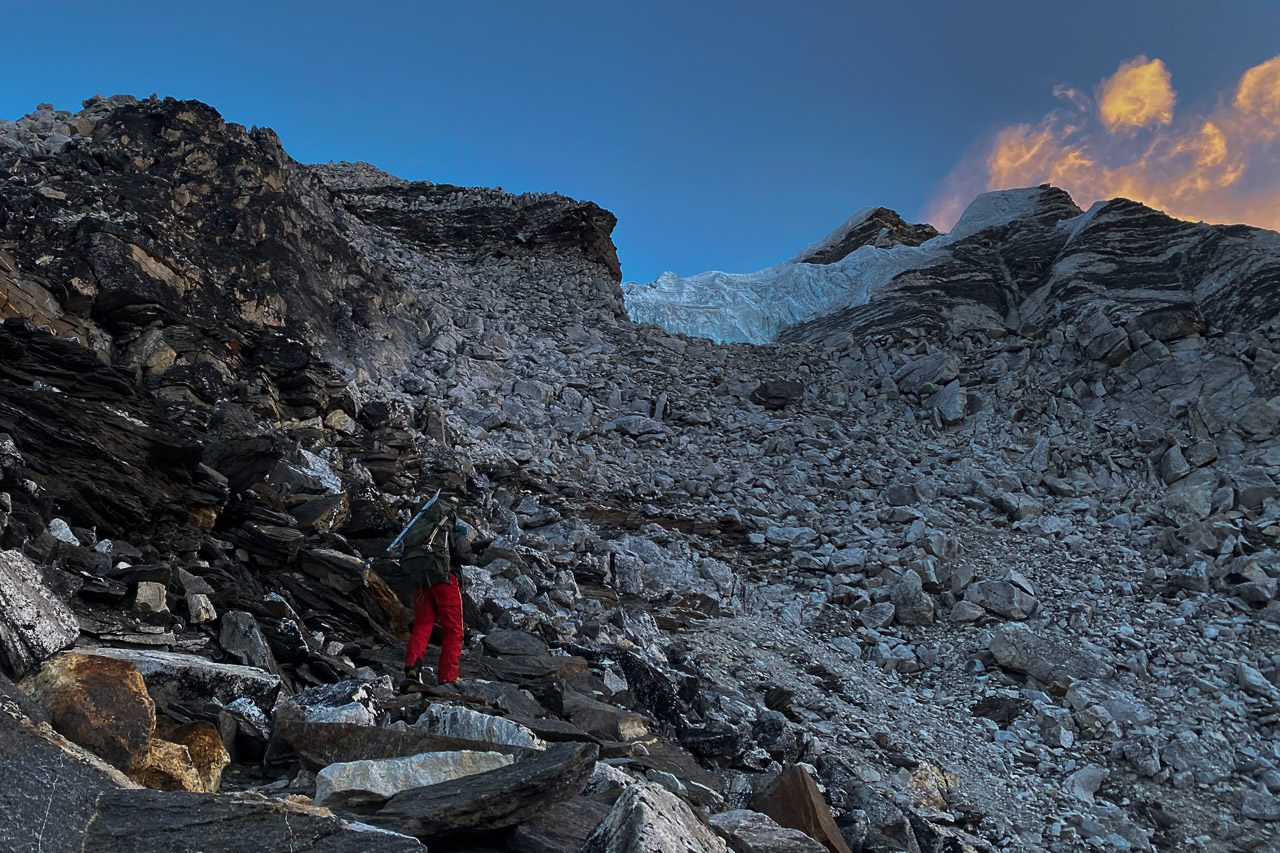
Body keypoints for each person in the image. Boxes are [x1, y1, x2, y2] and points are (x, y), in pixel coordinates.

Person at [399, 493, 465, 687]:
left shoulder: (419, 531)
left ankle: (412, 668)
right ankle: (448, 677)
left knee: (422, 625)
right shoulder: (447, 529)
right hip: (446, 581)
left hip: (421, 582)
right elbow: (464, 555)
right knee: (453, 630)